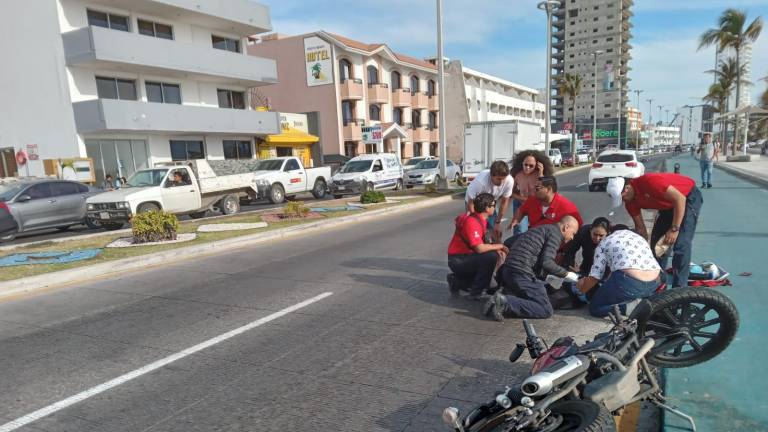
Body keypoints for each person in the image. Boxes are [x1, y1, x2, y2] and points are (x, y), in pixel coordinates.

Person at [606, 174, 702, 288]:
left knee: (681, 244)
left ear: (627, 188)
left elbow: (680, 199)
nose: (623, 201)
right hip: (667, 206)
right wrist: (642, 250)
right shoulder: (630, 202)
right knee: (657, 247)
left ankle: (680, 288)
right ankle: (658, 283)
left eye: (622, 198)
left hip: (687, 198)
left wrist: (674, 229)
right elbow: (641, 229)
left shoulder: (651, 182)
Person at [484, 216, 580, 320]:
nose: (572, 238)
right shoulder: (555, 234)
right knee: (545, 309)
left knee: (536, 294)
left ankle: (502, 297)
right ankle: (505, 301)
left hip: (508, 271)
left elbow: (509, 242)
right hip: (522, 273)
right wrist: (566, 274)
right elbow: (547, 262)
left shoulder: (541, 229)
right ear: (566, 227)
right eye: (573, 233)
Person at [577, 225, 662, 317]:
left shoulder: (604, 243)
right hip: (655, 281)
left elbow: (595, 277)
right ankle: (642, 297)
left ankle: (629, 307)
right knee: (621, 284)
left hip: (630, 283)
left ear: (610, 233)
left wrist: (582, 289)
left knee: (595, 308)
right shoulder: (640, 239)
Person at [447, 193, 509, 300]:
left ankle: (456, 281)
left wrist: (497, 246)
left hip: (469, 258)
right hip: (458, 260)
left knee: (493, 287)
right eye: (494, 205)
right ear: (487, 208)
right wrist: (500, 246)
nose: (495, 207)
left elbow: (489, 241)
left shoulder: (482, 220)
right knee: (490, 257)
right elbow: (479, 248)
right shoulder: (472, 222)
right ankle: (476, 292)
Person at [507, 176, 583, 232]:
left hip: (555, 246)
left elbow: (579, 227)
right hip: (533, 239)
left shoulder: (567, 207)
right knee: (509, 243)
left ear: (549, 189)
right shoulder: (532, 200)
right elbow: (521, 210)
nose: (534, 190)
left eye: (537, 188)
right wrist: (515, 221)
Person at [465, 160, 514, 243]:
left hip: (491, 203)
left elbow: (504, 202)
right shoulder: (480, 182)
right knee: (478, 230)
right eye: (498, 179)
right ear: (491, 175)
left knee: (496, 232)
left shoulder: (509, 181)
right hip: (475, 203)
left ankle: (498, 250)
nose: (501, 182)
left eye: (503, 179)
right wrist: (478, 222)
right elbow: (471, 203)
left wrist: (498, 222)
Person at [510, 151, 555, 235]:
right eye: (525, 165)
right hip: (521, 204)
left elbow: (545, 191)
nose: (527, 167)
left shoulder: (539, 175)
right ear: (522, 163)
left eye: (531, 166)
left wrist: (541, 172)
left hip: (536, 205)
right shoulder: (517, 175)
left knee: (537, 230)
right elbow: (510, 193)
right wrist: (522, 198)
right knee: (519, 230)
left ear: (537, 165)